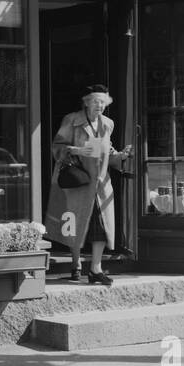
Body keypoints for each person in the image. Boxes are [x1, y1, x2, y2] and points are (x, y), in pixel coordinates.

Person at [44, 84, 135, 285]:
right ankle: (76, 264)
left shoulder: (108, 124)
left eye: (103, 102)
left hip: (101, 184)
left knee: (101, 227)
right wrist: (76, 150)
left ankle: (95, 269)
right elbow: (56, 147)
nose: (99, 106)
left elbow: (108, 153)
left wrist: (121, 156)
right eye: (95, 101)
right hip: (79, 182)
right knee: (76, 224)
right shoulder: (71, 120)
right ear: (86, 102)